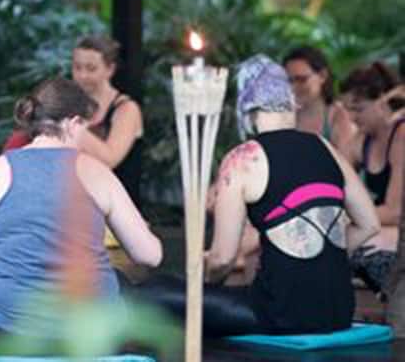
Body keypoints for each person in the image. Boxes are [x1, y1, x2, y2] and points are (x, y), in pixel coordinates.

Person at [136, 55, 380, 337]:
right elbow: (369, 224)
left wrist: (207, 285)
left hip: (279, 312)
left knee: (154, 291)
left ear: (246, 112)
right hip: (338, 311)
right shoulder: (324, 147)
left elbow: (223, 259)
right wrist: (321, 260)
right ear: (291, 103)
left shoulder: (243, 158)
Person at [0, 78, 162, 355]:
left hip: (3, 336)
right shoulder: (97, 172)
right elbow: (150, 256)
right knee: (119, 283)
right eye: (85, 128)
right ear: (73, 123)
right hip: (94, 338)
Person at [2, 35, 144, 207]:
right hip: (72, 202)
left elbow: (110, 160)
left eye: (91, 69)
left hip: (117, 205)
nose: (83, 75)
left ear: (110, 69)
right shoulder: (68, 104)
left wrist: (68, 123)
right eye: (77, 67)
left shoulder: (126, 108)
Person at [339, 62, 404, 295]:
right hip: (384, 230)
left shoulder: (401, 136)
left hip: (395, 230)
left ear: (382, 102)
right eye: (348, 109)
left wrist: (343, 219)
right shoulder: (362, 140)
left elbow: (395, 212)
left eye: (358, 109)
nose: (352, 117)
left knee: (360, 242)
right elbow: (328, 182)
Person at [283, 46, 357, 157]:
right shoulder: (285, 116)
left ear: (322, 76)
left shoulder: (339, 116)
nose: (293, 87)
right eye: (289, 81)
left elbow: (347, 163)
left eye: (302, 80)